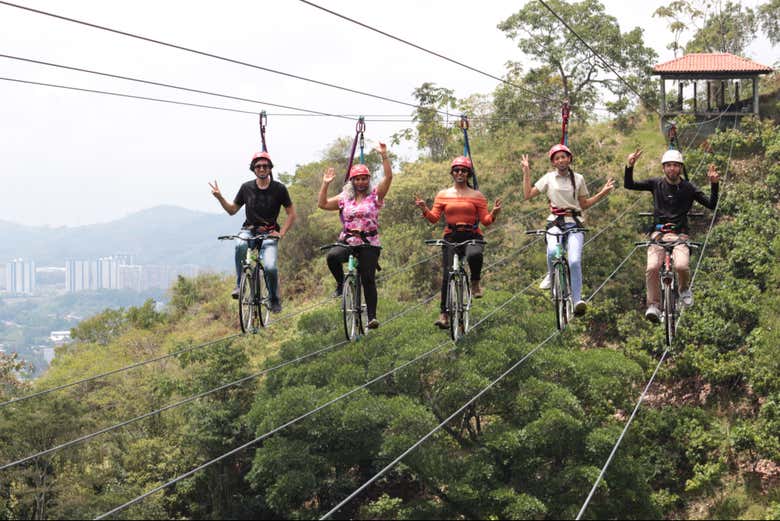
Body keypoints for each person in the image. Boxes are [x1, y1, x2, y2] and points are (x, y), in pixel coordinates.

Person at [624, 148, 719, 321]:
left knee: (681, 266)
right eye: (668, 165)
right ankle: (653, 305)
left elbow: (711, 204)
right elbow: (630, 185)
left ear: (680, 168)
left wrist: (714, 184)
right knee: (652, 267)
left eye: (675, 165)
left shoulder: (688, 188)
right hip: (658, 235)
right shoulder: (656, 184)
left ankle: (683, 289)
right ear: (663, 168)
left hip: (680, 235)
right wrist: (629, 166)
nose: (672, 169)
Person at [521, 144, 615, 316]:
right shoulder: (549, 178)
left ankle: (577, 299)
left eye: (564, 157)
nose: (561, 160)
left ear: (569, 159)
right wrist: (526, 172)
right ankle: (551, 275)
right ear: (553, 163)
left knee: (574, 261)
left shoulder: (578, 179)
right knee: (551, 253)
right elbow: (528, 195)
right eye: (557, 158)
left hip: (574, 223)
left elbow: (584, 204)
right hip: (555, 222)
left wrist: (603, 193)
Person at [414, 156, 501, 329]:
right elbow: (434, 218)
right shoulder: (443, 195)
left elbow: (486, 221)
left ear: (468, 173)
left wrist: (494, 213)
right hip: (452, 236)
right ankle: (444, 314)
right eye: (456, 170)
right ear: (452, 173)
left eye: (463, 170)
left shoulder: (477, 196)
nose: (460, 173)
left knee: (475, 254)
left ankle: (475, 282)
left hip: (472, 234)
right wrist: (424, 208)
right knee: (448, 274)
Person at [209, 151, 297, 313]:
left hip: (270, 233)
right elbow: (232, 210)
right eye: (258, 166)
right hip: (249, 230)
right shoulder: (246, 188)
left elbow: (292, 213)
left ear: (270, 169)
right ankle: (239, 284)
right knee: (240, 245)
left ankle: (274, 297)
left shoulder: (279, 189)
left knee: (270, 267)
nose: (262, 169)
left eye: (265, 166)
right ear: (253, 169)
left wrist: (282, 233)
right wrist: (220, 198)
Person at [318, 143, 393, 330]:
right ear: (352, 181)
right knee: (332, 257)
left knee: (368, 277)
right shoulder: (345, 198)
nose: (360, 182)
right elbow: (323, 204)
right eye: (357, 179)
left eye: (364, 179)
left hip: (369, 242)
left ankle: (372, 316)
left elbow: (389, 177)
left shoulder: (375, 196)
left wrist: (384, 156)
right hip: (348, 240)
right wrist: (325, 184)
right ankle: (340, 283)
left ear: (368, 180)